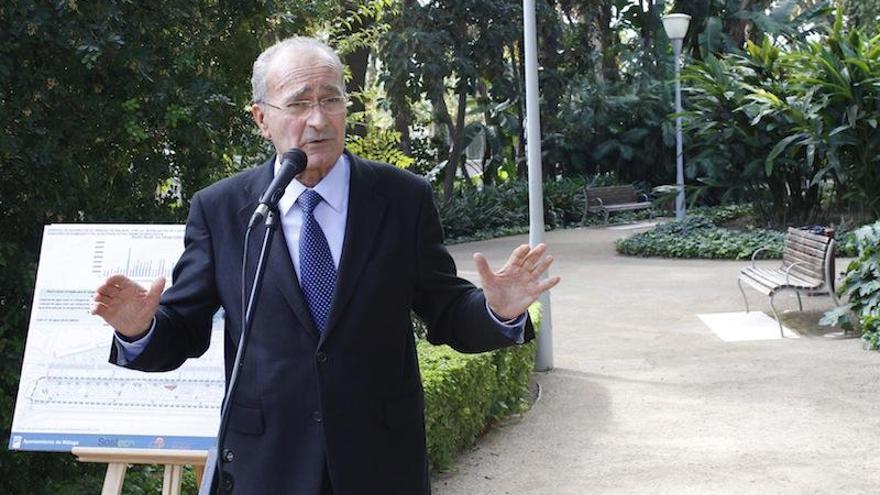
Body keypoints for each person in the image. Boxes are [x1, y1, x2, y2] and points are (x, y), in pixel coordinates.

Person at [91, 36, 560, 494]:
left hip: (379, 460)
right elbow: (183, 330)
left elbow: (446, 310)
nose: (318, 120)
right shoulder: (223, 210)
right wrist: (139, 329)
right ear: (262, 119)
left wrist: (499, 311)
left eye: (331, 100)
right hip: (268, 463)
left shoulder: (400, 198)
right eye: (298, 104)